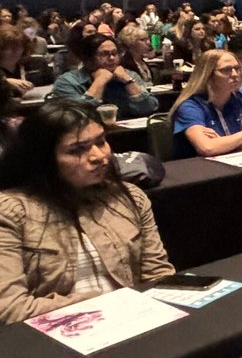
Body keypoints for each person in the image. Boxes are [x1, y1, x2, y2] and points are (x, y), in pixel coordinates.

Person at [0, 101, 174, 323]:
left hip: (133, 322)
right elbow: (10, 309)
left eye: (101, 142)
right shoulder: (10, 212)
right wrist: (106, 303)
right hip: (57, 336)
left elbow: (157, 275)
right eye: (77, 150)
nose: (99, 156)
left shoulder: (129, 197)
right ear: (44, 159)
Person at [170, 49, 242, 159]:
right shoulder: (191, 106)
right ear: (208, 75)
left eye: (237, 68)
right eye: (226, 70)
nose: (235, 74)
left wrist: (225, 144)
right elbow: (207, 148)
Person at [51, 34, 158, 119]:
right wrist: (99, 81)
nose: (112, 58)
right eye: (104, 54)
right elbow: (78, 117)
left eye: (115, 53)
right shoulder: (67, 82)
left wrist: (128, 82)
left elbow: (149, 108)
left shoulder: (129, 75)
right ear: (88, 59)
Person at [0, 24, 35, 98]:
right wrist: (5, 82)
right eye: (8, 48)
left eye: (19, 46)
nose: (15, 51)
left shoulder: (37, 63)